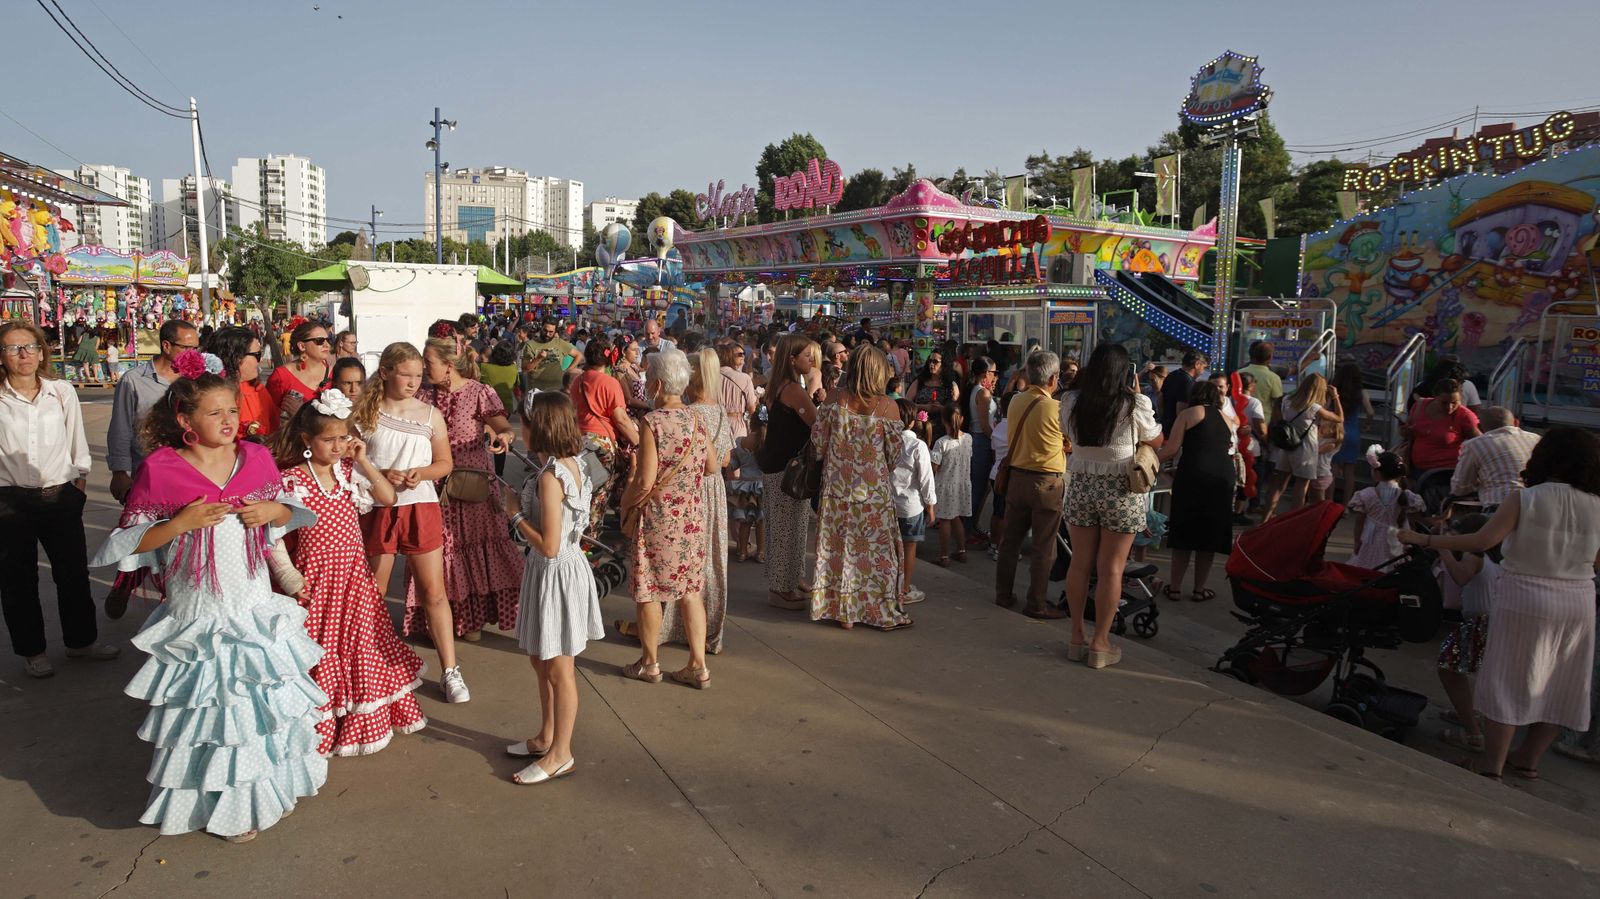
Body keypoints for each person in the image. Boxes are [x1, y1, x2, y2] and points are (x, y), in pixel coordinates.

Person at [89, 363, 323, 843]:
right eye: (214, 412)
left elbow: (289, 513)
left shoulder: (256, 457)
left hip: (252, 598)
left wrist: (272, 510)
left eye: (233, 410)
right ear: (185, 421)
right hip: (198, 606)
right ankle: (217, 804)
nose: (228, 419)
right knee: (210, 710)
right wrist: (180, 523)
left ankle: (262, 790)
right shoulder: (160, 468)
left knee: (256, 701)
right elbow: (127, 543)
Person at [1399, 426, 1600, 781]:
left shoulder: (1526, 498)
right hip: (1578, 600)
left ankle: (1491, 765)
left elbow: (1483, 538)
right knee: (1562, 683)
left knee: (1508, 678)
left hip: (1525, 594)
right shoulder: (1597, 504)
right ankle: (1527, 761)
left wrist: (1425, 539)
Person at [270, 390, 427, 757]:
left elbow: (388, 497)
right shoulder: (292, 479)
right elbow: (273, 535)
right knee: (320, 650)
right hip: (316, 580)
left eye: (343, 437)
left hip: (355, 578)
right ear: (307, 440)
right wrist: (290, 576)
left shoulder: (348, 472)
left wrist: (365, 461)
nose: (338, 445)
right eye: (329, 439)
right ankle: (319, 726)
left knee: (361, 646)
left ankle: (358, 721)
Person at [353, 343, 468, 703]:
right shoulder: (363, 412)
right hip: (377, 507)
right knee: (374, 591)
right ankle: (370, 664)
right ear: (385, 372)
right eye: (407, 374)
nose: (414, 382)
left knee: (434, 592)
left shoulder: (430, 414)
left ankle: (451, 670)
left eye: (419, 375)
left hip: (421, 506)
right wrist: (379, 473)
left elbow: (444, 463)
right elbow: (350, 460)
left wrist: (422, 474)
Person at [0, 321, 114, 678]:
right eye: (13, 347)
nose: (24, 354)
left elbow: (76, 440)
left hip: (60, 495)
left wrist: (79, 482)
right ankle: (33, 651)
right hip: (9, 501)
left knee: (73, 574)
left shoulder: (60, 391)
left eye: (30, 346)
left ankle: (81, 642)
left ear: (41, 351)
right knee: (18, 580)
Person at [502, 392, 602, 785]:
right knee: (542, 660)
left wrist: (514, 514)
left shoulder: (550, 476)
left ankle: (561, 753)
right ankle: (546, 737)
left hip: (556, 571)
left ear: (538, 426)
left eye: (523, 421)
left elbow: (548, 544)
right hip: (561, 570)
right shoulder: (574, 463)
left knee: (560, 669)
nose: (520, 428)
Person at [1062, 344, 1163, 665]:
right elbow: (1156, 439)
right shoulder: (1134, 403)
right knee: (1112, 569)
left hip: (1080, 484)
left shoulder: (1071, 401)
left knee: (1079, 563)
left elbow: (1068, 434)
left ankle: (1076, 636)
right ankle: (1100, 643)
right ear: (1124, 372)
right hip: (1121, 490)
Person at [619, 350, 715, 687]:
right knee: (690, 591)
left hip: (660, 518)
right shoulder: (696, 419)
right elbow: (712, 466)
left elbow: (644, 480)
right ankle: (698, 665)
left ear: (658, 384)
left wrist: (625, 503)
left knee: (649, 591)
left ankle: (650, 663)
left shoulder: (653, 422)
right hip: (691, 518)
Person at [416, 338, 521, 643]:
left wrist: (504, 436)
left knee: (469, 550)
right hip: (434, 485)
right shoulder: (423, 394)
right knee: (440, 552)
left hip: (471, 485)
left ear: (448, 365)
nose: (424, 367)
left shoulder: (479, 392)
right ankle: (439, 619)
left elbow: (503, 426)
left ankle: (470, 620)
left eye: (429, 361)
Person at [810, 345, 911, 630]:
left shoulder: (834, 399)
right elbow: (894, 455)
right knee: (875, 554)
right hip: (872, 493)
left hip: (836, 490)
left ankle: (842, 611)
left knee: (838, 549)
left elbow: (818, 444)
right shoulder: (888, 407)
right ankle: (873, 609)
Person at [657, 349, 734, 654]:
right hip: (715, 491)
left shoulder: (689, 412)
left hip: (690, 489)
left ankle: (673, 625)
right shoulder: (719, 411)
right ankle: (710, 625)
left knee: (684, 559)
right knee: (713, 559)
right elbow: (726, 459)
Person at [995, 351, 1070, 620]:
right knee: (1043, 548)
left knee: (1010, 541)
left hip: (1017, 478)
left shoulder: (1015, 400)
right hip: (1046, 482)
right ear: (1053, 378)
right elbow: (1069, 440)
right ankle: (1036, 603)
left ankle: (1003, 594)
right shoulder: (1056, 408)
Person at [757, 334, 822, 610]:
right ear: (793, 359)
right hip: (787, 468)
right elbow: (816, 424)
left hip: (777, 465)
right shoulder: (793, 390)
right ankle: (781, 588)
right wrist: (817, 386)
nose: (812, 360)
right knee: (787, 529)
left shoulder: (779, 385)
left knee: (787, 527)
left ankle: (788, 580)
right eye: (807, 356)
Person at [1158, 379, 1234, 603]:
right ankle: (1200, 589)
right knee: (1208, 536)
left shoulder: (1189, 414)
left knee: (1184, 532)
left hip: (1193, 474)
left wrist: (1148, 460)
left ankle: (1175, 588)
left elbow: (1172, 449)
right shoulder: (1227, 420)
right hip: (1221, 478)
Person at [107, 319, 198, 505]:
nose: (194, 354)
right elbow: (121, 428)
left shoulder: (198, 381)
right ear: (166, 346)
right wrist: (119, 472)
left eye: (197, 348)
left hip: (193, 474)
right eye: (187, 348)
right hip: (148, 475)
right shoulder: (133, 381)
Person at [1434, 513, 1499, 754]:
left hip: (1480, 622)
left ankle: (1473, 733)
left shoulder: (1474, 555)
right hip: (1492, 621)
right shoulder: (1496, 558)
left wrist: (1443, 549)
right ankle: (1468, 712)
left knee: (1448, 668)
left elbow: (1460, 576)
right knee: (1468, 670)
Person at [570, 336, 639, 533]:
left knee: (582, 491)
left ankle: (576, 533)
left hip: (578, 441)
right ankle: (590, 544)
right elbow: (621, 419)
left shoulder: (577, 381)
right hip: (601, 445)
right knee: (598, 497)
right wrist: (639, 442)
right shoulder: (610, 383)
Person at [1259, 374, 1343, 521]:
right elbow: (1339, 419)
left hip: (1287, 447)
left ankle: (1265, 518)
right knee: (1301, 486)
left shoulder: (1287, 400)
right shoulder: (1314, 408)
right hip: (1306, 449)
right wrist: (1335, 397)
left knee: (1279, 484)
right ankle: (1294, 520)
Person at [1450, 406, 1539, 508]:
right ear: (1516, 423)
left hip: (1499, 507)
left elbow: (1459, 488)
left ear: (1480, 428)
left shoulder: (1474, 445)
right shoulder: (1536, 439)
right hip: (1535, 505)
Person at [893, 399, 937, 605]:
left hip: (888, 504)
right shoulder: (918, 445)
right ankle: (904, 589)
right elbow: (926, 479)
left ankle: (889, 586)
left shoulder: (885, 441)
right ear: (912, 422)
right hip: (911, 507)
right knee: (909, 550)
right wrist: (931, 506)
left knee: (890, 549)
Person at [206, 326, 278, 440]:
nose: (261, 360)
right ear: (236, 357)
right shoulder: (207, 396)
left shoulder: (258, 390)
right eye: (257, 355)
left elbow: (274, 433)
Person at [1403, 378, 1480, 476]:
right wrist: (1405, 431)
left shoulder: (1464, 416)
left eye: (1454, 402)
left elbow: (1480, 443)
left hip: (1446, 475)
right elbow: (1408, 432)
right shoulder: (1420, 405)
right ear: (1435, 396)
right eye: (1444, 403)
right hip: (1415, 470)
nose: (1449, 407)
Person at [930, 405, 972, 567]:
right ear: (961, 419)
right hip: (962, 484)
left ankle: (944, 556)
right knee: (956, 519)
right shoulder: (968, 439)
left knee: (945, 520)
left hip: (946, 485)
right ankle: (961, 551)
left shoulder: (941, 443)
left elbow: (935, 467)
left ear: (943, 420)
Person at [267, 320, 334, 419]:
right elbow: (269, 416)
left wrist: (301, 414)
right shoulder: (282, 376)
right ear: (302, 346)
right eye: (319, 341)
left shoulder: (335, 372)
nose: (327, 345)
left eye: (328, 340)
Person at [964, 356, 999, 542]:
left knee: (980, 487)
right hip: (982, 442)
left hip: (977, 440)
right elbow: (986, 426)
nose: (995, 377)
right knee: (977, 487)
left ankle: (971, 526)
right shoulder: (983, 394)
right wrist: (997, 441)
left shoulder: (976, 390)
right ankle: (968, 529)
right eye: (994, 373)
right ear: (986, 373)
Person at [1330, 362, 1374, 503]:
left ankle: (1328, 503)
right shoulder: (1361, 392)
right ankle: (1346, 505)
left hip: (1336, 431)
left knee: (1332, 471)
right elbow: (1371, 412)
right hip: (1353, 432)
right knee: (1350, 472)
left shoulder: (1334, 390)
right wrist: (1366, 425)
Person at [727, 410, 767, 563]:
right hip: (761, 486)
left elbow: (733, 464)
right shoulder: (766, 441)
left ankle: (742, 551)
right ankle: (761, 552)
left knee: (745, 521)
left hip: (744, 486)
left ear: (751, 423)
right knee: (760, 522)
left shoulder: (741, 441)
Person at [520, 319, 581, 393]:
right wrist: (538, 358)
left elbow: (578, 355)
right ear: (541, 328)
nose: (547, 334)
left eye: (551, 332)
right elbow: (525, 369)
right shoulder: (530, 345)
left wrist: (567, 371)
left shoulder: (559, 343)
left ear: (555, 331)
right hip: (537, 391)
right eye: (545, 330)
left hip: (557, 390)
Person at [718, 342, 758, 443]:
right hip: (737, 425)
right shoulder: (744, 378)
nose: (742, 356)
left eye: (743, 353)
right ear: (729, 356)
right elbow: (752, 408)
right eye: (739, 354)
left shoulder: (710, 376)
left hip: (716, 424)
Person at [1161, 350, 1207, 435]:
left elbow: (1160, 399)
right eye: (1204, 367)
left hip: (1166, 426)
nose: (1203, 371)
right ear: (1197, 364)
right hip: (1178, 431)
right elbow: (1182, 411)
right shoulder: (1188, 382)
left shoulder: (1171, 375)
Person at [1238, 341, 1284, 425]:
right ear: (1270, 357)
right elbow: (1276, 405)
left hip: (1240, 421)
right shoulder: (1273, 378)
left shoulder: (1239, 373)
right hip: (1263, 423)